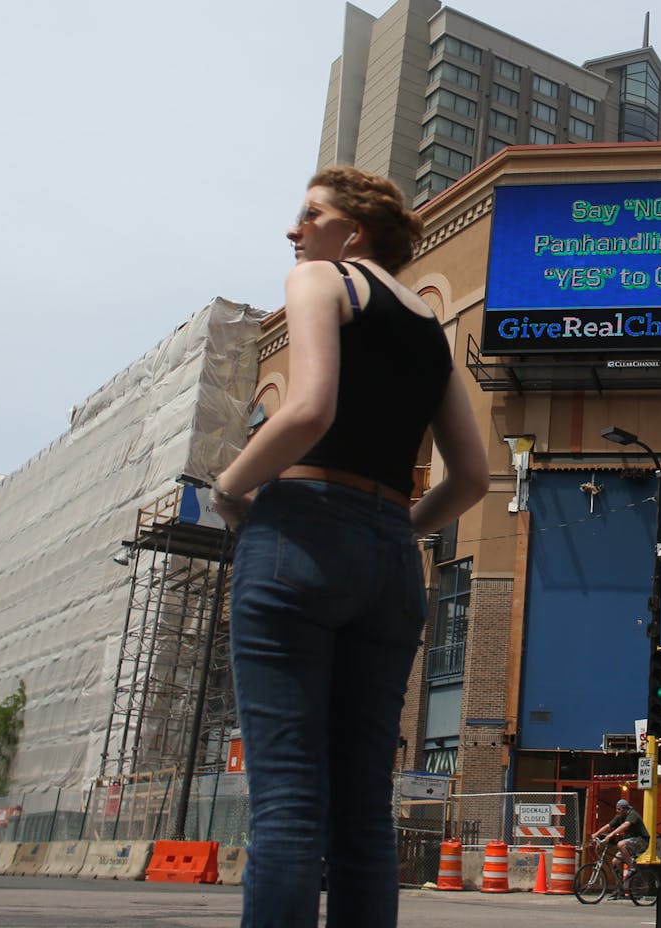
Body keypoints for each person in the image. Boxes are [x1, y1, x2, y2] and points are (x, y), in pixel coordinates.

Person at [210, 165, 490, 928]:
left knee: (290, 799)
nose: (295, 230)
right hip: (392, 559)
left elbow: (306, 409)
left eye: (311, 215)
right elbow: (472, 476)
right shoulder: (429, 330)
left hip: (301, 529)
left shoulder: (321, 282)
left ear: (351, 233)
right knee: (364, 807)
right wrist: (400, 528)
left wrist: (230, 489)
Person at [591, 798, 650, 875]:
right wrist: (596, 833)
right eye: (616, 809)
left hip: (641, 840)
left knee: (620, 844)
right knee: (615, 862)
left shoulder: (632, 814)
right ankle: (621, 884)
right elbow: (608, 826)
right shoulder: (619, 816)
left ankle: (632, 867)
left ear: (625, 809)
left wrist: (611, 834)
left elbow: (625, 825)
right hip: (630, 842)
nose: (617, 811)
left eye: (619, 809)